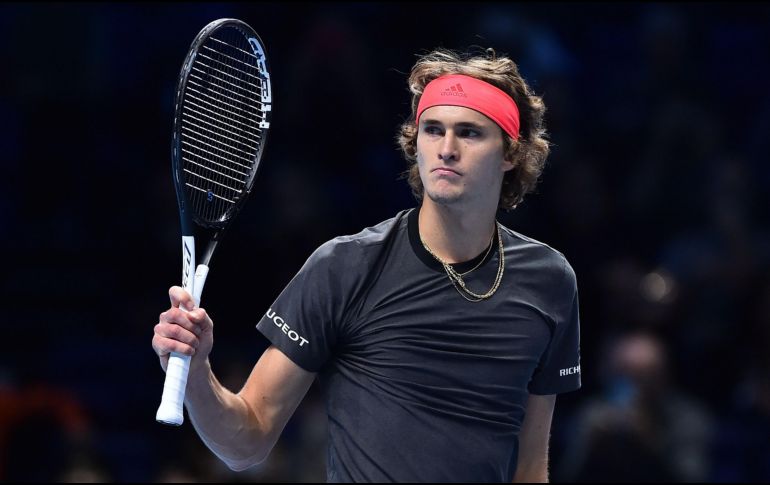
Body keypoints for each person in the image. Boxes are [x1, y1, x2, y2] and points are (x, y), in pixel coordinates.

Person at [152, 47, 581, 482]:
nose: (446, 149)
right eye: (433, 130)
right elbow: (246, 442)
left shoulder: (549, 281)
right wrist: (197, 373)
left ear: (510, 152)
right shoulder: (344, 267)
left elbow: (530, 468)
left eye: (469, 133)